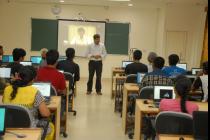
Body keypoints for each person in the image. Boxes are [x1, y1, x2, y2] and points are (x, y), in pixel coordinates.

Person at [3, 66, 54, 140]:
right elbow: (45, 114)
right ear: (33, 80)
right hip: (30, 128)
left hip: (9, 129)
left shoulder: (7, 89)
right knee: (50, 127)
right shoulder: (34, 91)